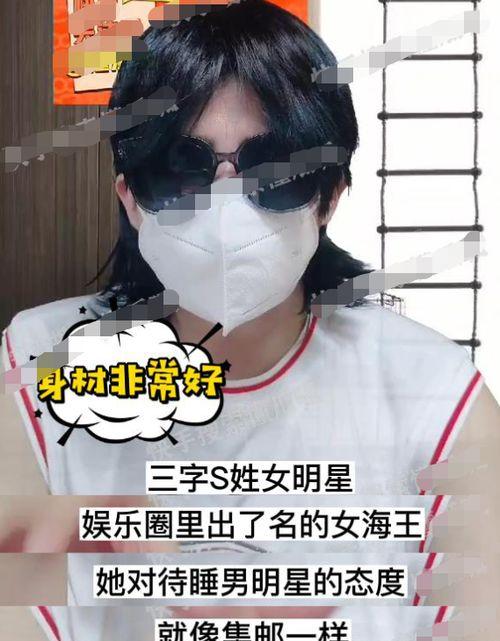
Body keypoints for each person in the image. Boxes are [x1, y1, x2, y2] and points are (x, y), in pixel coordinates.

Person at [1, 1, 499, 640]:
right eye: (183, 167)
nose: (226, 204)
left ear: (329, 197)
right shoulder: (40, 365)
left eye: (273, 171)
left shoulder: (432, 391)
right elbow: (15, 612)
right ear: (131, 196)